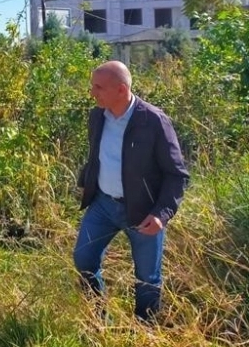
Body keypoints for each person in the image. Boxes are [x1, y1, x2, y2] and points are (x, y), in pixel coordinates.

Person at [74, 60, 189, 323]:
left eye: (98, 87)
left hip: (142, 211)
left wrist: (161, 214)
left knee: (147, 278)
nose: (93, 92)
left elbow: (176, 174)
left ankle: (145, 330)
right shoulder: (97, 117)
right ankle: (99, 321)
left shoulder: (153, 121)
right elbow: (98, 157)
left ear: (121, 90)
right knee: (84, 259)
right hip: (102, 205)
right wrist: (86, 182)